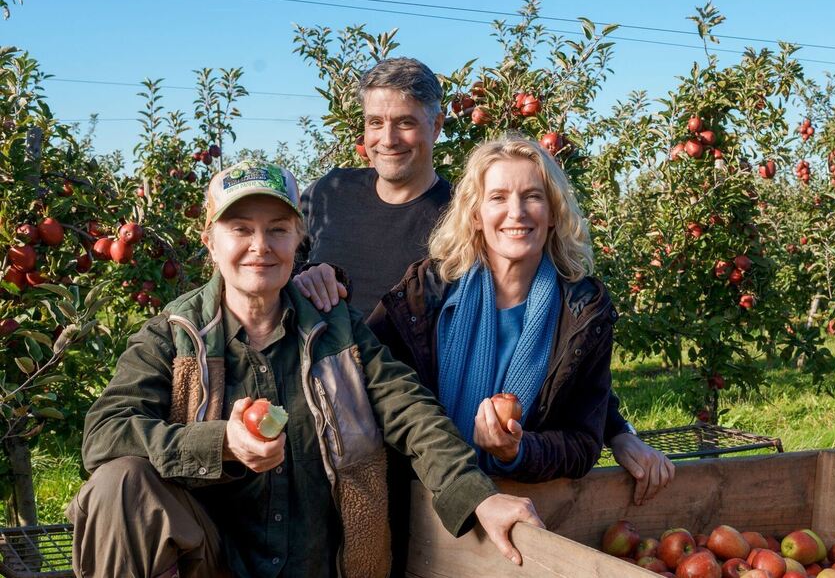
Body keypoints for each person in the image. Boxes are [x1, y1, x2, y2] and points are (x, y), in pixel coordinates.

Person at [66, 161, 543, 578]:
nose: (260, 246)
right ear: (210, 241)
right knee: (120, 482)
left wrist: (478, 495)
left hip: (318, 563)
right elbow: (104, 435)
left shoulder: (337, 329)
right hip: (211, 562)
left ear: (299, 239)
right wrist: (221, 444)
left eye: (277, 228)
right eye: (240, 229)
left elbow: (410, 411)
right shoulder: (173, 336)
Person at [293, 57, 675, 502]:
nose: (388, 139)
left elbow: (565, 363)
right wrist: (304, 275)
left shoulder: (460, 228)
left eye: (405, 123)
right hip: (331, 428)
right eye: (375, 122)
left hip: (418, 459)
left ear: (436, 126)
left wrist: (618, 431)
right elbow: (276, 268)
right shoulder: (328, 193)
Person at [368, 136, 620, 482]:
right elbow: (373, 383)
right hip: (423, 501)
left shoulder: (582, 311)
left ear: (552, 214)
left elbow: (583, 441)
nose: (516, 212)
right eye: (498, 197)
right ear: (475, 215)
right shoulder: (426, 291)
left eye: (533, 196)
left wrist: (520, 450)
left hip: (527, 510)